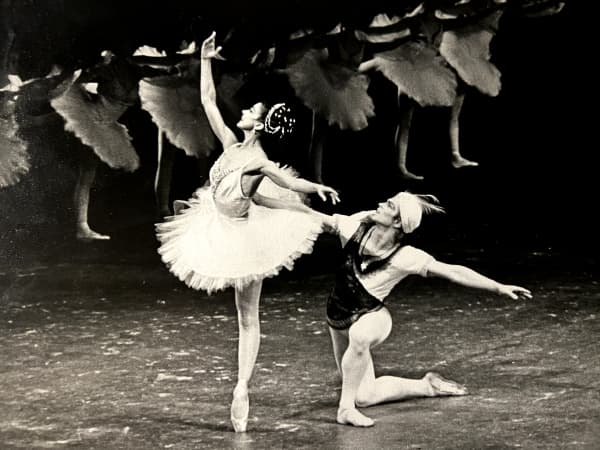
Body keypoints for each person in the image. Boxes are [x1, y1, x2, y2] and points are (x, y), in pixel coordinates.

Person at [155, 32, 340, 433]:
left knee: (247, 319)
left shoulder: (256, 159)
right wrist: (204, 59)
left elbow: (289, 186)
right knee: (244, 317)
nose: (242, 110)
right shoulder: (231, 143)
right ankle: (241, 387)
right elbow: (207, 100)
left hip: (242, 235)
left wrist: (316, 188)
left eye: (251, 109)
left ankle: (242, 387)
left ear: (258, 124)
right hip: (217, 219)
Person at [314, 191, 532, 427]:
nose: (379, 204)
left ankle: (345, 409)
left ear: (397, 221)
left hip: (372, 316)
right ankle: (427, 386)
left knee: (360, 335)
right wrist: (269, 197)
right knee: (364, 396)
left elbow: (452, 271)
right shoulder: (353, 228)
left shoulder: (405, 256)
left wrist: (498, 287)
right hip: (337, 317)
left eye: (388, 205)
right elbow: (308, 216)